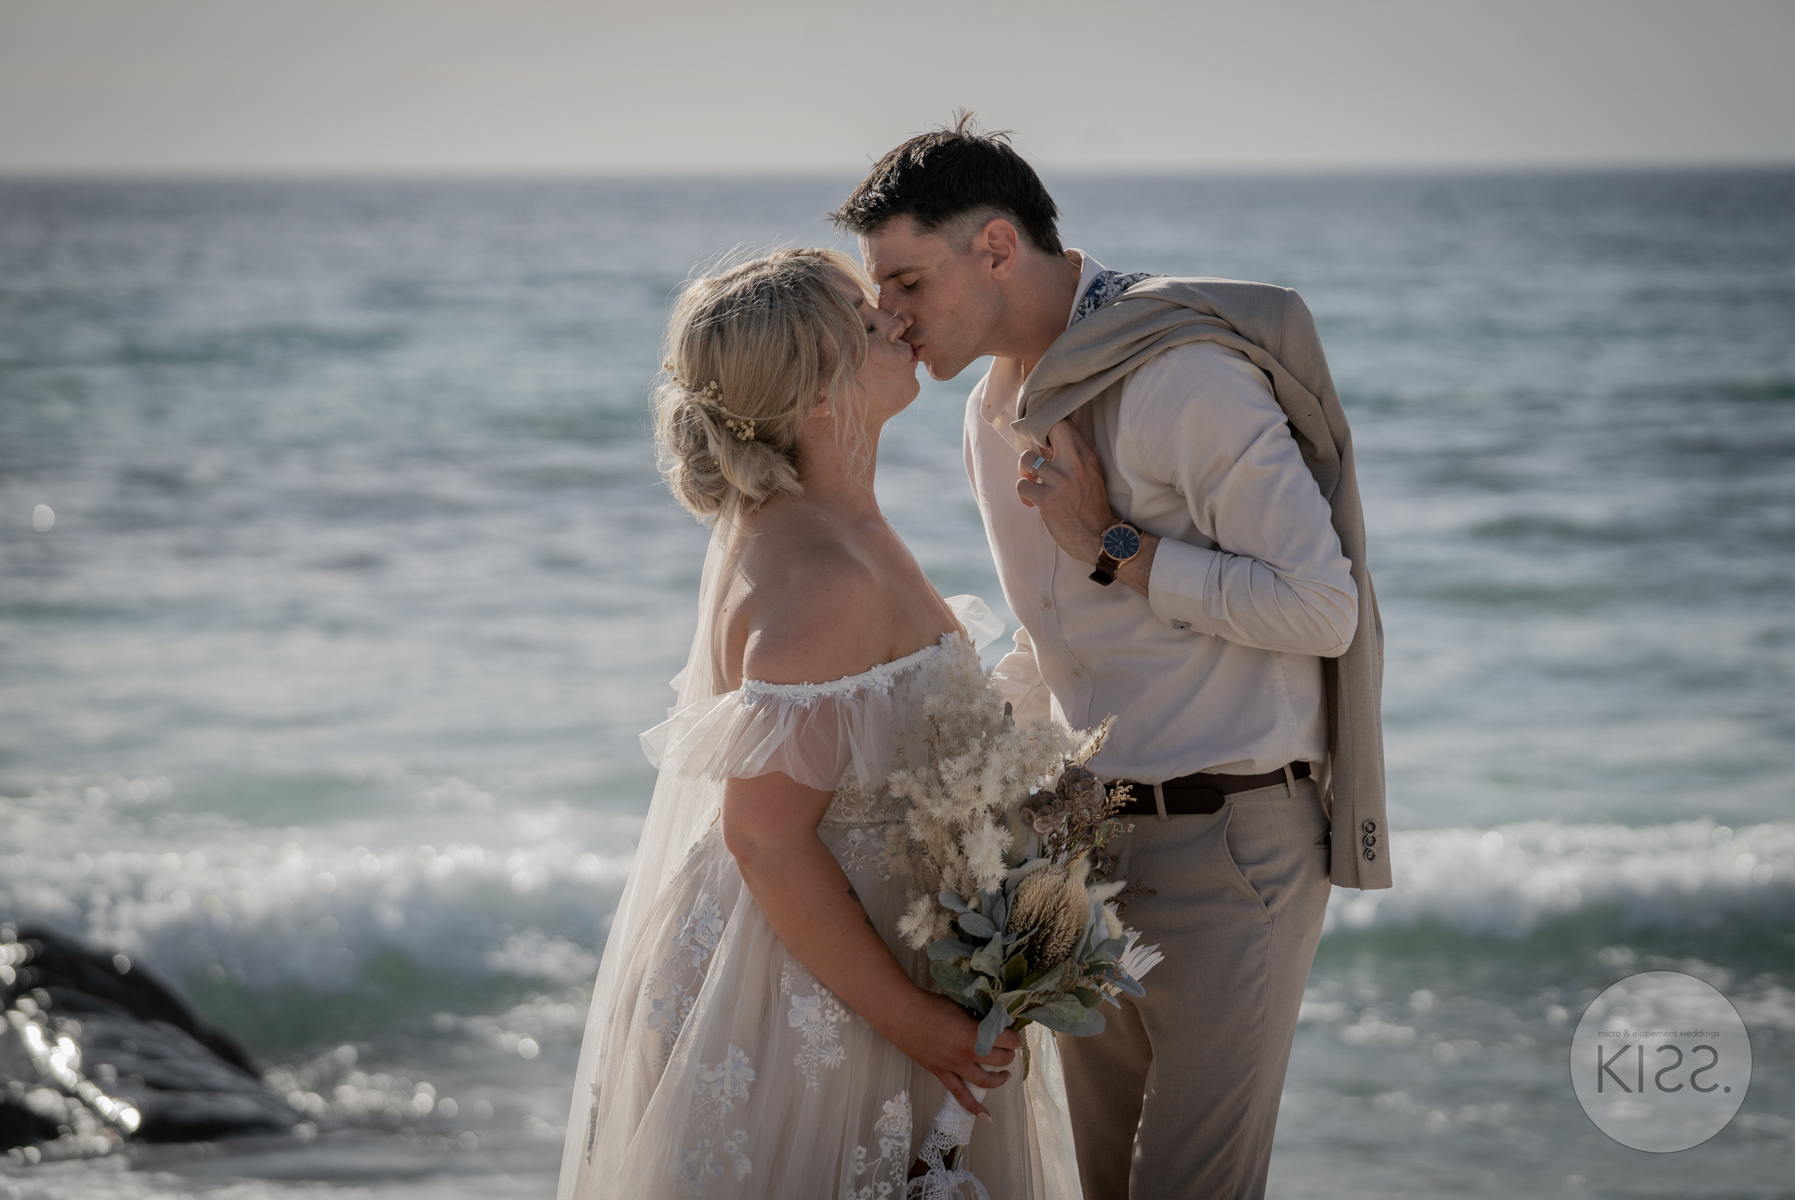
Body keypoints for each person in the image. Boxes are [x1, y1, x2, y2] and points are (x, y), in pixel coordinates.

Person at [833, 118, 1391, 1200]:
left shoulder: (1183, 378)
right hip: (1080, 851)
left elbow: (1324, 607)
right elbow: (1057, 641)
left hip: (1234, 845)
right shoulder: (989, 413)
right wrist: (952, 752)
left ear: (997, 247)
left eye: (907, 281)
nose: (888, 316)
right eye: (879, 289)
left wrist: (1118, 548)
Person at [557, 248, 1081, 1199]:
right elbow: (764, 837)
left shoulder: (832, 524)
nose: (896, 318)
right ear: (815, 398)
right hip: (823, 996)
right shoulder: (822, 576)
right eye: (866, 322)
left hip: (871, 948)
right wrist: (918, 1025)